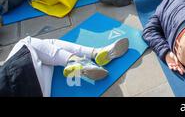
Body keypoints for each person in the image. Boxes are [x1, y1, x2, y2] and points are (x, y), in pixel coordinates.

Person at [0, 36, 129, 97]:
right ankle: (80, 58)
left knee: (45, 53)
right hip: (16, 82)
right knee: (28, 43)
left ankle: (94, 54)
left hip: (38, 92)